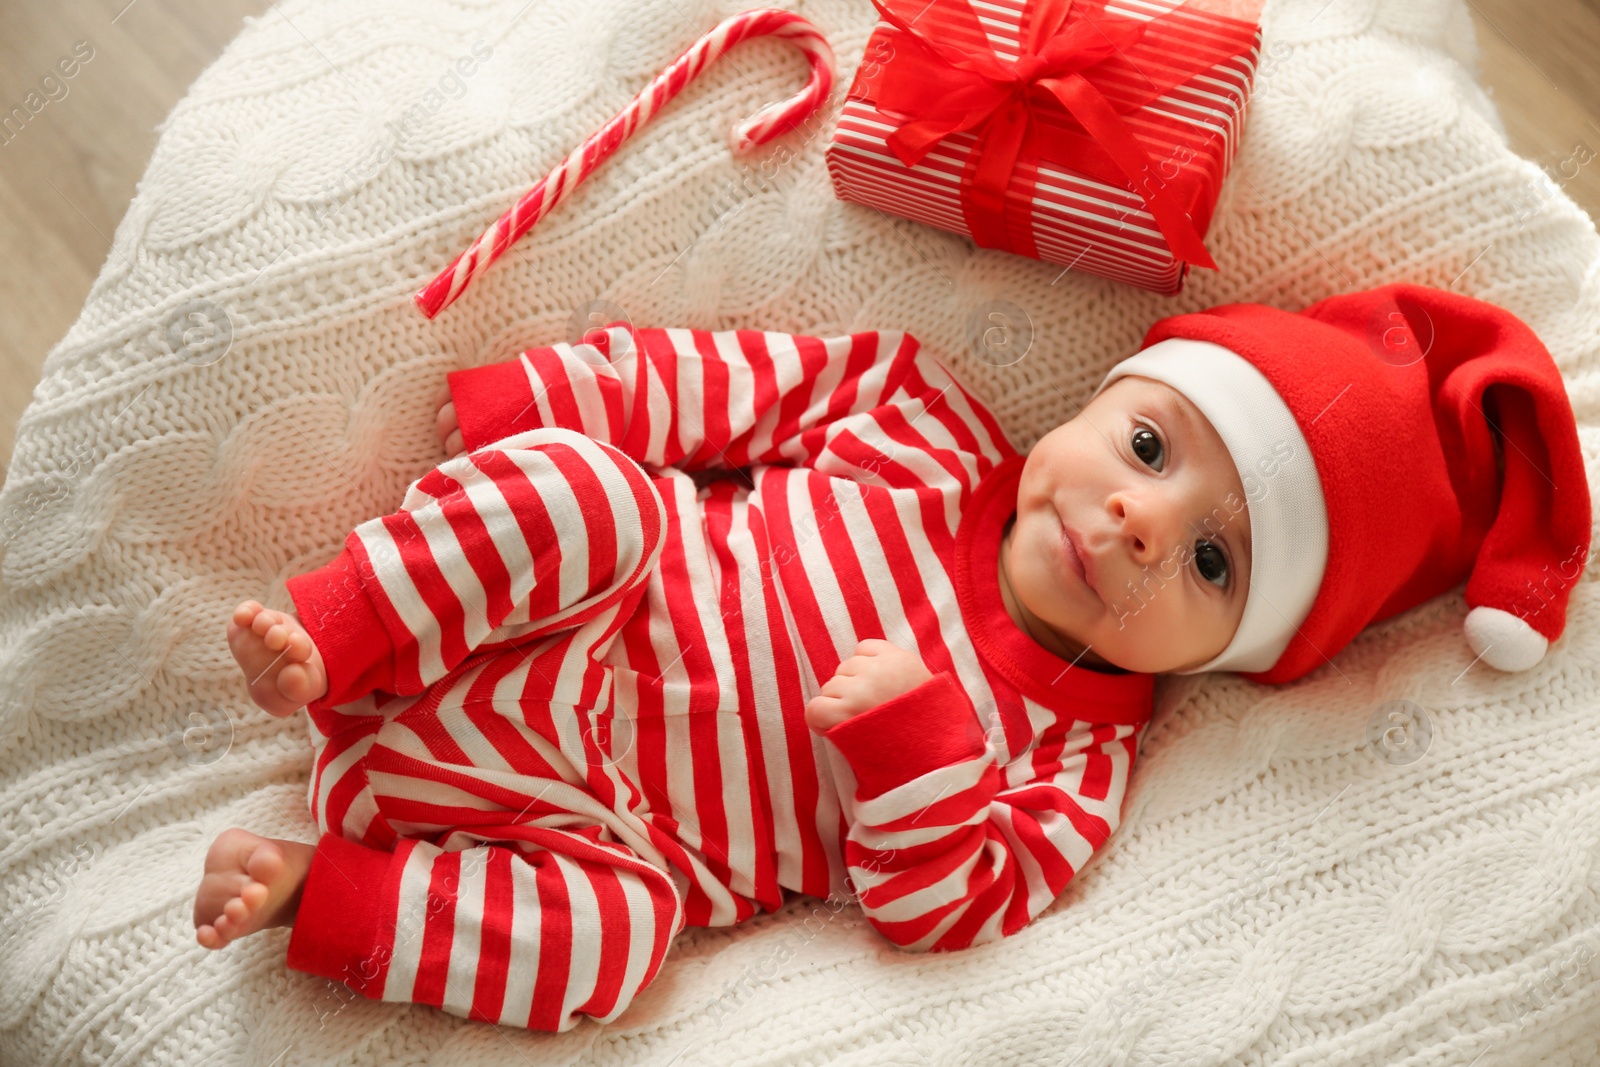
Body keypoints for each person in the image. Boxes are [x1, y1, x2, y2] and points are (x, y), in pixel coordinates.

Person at [190, 283, 1589, 1032]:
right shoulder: (915, 419)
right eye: (1151, 448)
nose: (1141, 521)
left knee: (620, 958)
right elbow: (723, 383)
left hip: (578, 831)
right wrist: (539, 398)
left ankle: (338, 896)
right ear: (1105, 401)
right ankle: (334, 631)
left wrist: (912, 755)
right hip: (543, 610)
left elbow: (942, 907)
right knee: (590, 485)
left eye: (1215, 562)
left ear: (1242, 655)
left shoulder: (1078, 764)